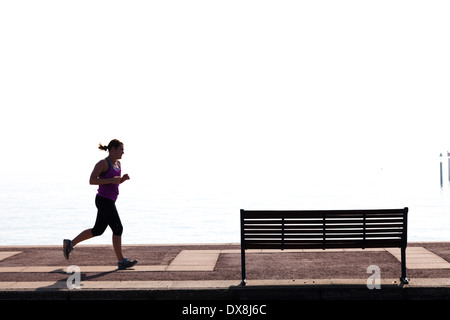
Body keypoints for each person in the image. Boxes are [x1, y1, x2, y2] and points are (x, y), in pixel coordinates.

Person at [63, 139, 138, 270]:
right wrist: (111, 180)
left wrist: (121, 180)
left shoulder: (118, 164)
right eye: (121, 149)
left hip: (110, 200)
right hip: (103, 200)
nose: (123, 152)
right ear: (113, 149)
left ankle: (70, 244)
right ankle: (121, 261)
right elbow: (92, 180)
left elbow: (113, 182)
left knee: (98, 230)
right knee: (118, 228)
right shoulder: (103, 163)